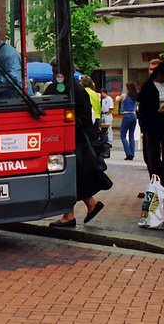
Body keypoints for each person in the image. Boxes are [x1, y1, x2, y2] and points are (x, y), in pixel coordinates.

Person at [44, 61, 110, 227]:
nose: (53, 73)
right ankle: (88, 205)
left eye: (55, 70)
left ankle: (71, 214)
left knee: (69, 177)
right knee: (74, 177)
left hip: (72, 141)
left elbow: (82, 120)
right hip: (75, 141)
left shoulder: (70, 89)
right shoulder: (74, 89)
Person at [137, 60, 164, 187]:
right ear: (160, 74)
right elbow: (143, 109)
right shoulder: (148, 87)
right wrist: (157, 112)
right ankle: (156, 184)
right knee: (152, 158)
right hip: (152, 126)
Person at [116, 82, 138, 160]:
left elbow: (117, 100)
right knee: (131, 135)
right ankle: (132, 152)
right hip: (133, 115)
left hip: (126, 115)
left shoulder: (124, 95)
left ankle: (128, 153)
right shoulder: (135, 96)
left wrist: (118, 96)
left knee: (123, 135)